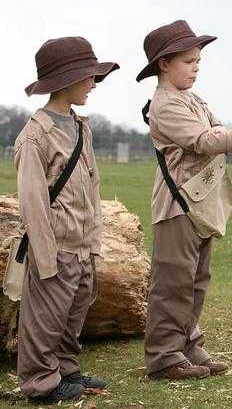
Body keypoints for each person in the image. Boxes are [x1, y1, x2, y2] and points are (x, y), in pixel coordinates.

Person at [137, 20, 232, 380]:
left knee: (196, 278)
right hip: (178, 206)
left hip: (200, 202)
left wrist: (223, 135)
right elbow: (208, 141)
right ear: (164, 64)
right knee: (173, 281)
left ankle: (188, 344)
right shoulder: (166, 105)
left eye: (198, 60)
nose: (196, 67)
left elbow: (216, 131)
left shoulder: (191, 99)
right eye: (189, 61)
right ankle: (163, 356)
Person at [14, 37, 119, 402]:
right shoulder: (35, 135)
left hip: (81, 244)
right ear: (65, 80)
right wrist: (45, 258)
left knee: (71, 316)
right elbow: (32, 202)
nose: (93, 83)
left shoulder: (80, 126)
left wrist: (94, 243)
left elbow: (90, 187)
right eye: (88, 76)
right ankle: (41, 384)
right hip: (55, 247)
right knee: (44, 320)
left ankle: (66, 370)